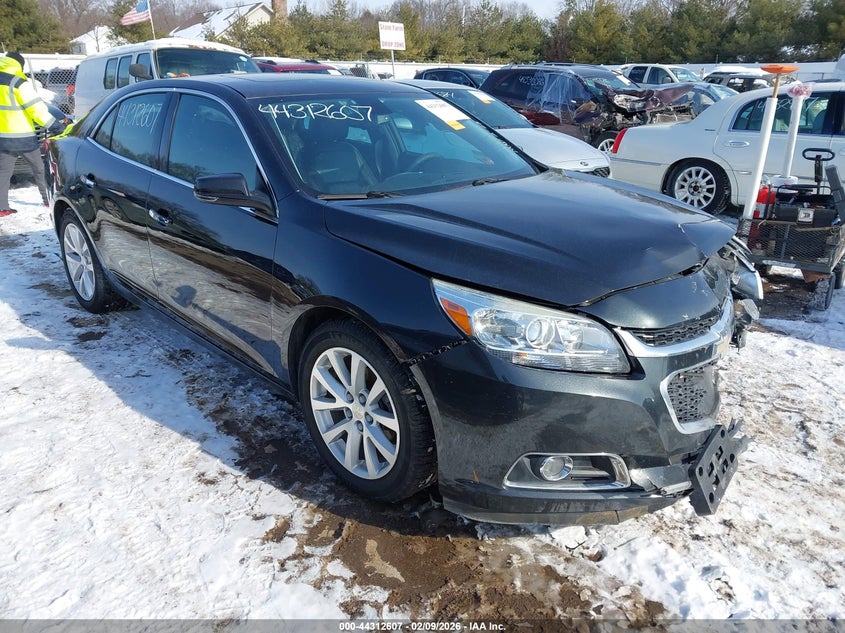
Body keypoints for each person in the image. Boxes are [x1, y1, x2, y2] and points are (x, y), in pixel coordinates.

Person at [0, 52, 58, 217]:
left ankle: (2, 207)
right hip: (22, 136)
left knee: (3, 172)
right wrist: (54, 126)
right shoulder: (17, 82)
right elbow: (35, 109)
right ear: (19, 64)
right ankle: (47, 200)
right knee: (39, 169)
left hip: (3, 138)